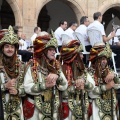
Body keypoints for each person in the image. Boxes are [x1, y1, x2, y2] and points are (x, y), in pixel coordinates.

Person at [24, 31, 68, 120]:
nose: (54, 52)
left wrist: (58, 77)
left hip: (53, 109)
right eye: (51, 50)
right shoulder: (32, 65)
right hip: (36, 109)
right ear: (43, 50)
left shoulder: (56, 66)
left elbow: (65, 85)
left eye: (54, 50)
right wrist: (45, 85)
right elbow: (27, 87)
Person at [60, 38, 94, 120]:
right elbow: (61, 93)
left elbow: (92, 86)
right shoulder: (60, 70)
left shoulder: (83, 70)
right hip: (67, 109)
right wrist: (75, 87)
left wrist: (84, 83)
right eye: (79, 54)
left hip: (82, 107)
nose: (82, 56)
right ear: (71, 55)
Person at [88, 42, 120, 120]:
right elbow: (91, 93)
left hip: (110, 106)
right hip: (96, 107)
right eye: (102, 59)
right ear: (96, 59)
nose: (104, 61)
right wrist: (105, 87)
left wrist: (114, 75)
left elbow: (118, 84)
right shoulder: (89, 73)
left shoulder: (109, 70)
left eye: (106, 59)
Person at [0, 26, 26, 120]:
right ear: (2, 48)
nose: (10, 49)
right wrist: (4, 86)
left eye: (12, 47)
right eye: (7, 46)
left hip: (17, 110)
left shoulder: (21, 66)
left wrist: (18, 91)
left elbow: (26, 87)